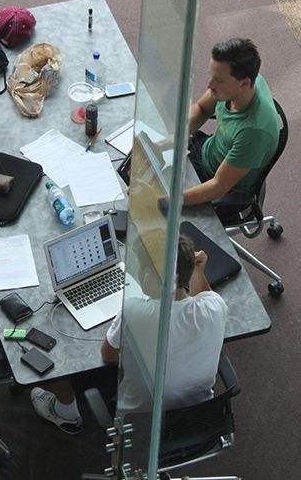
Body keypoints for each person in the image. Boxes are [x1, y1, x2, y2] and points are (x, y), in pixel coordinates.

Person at [30, 235, 227, 434]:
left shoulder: (133, 312)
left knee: (71, 366)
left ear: (149, 276)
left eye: (141, 268)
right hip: (198, 415)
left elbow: (108, 355)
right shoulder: (216, 307)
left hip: (141, 425)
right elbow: (205, 296)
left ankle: (65, 411)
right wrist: (196, 271)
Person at [184, 38, 280, 211]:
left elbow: (217, 186)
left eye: (218, 80)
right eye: (211, 76)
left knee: (156, 215)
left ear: (244, 83)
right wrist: (174, 138)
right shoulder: (241, 84)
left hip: (222, 188)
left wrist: (168, 200)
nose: (210, 85)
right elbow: (202, 109)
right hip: (206, 151)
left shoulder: (254, 131)